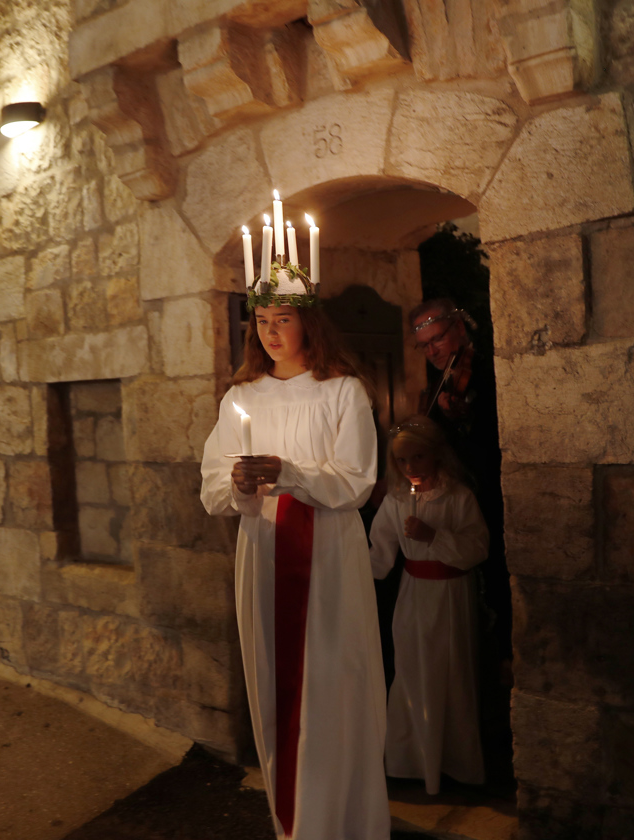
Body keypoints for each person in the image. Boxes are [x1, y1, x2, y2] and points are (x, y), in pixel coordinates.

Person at [200, 273, 390, 839]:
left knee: (335, 681)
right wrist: (240, 481)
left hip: (329, 553)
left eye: (283, 319)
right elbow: (212, 488)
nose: (271, 332)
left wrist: (290, 472)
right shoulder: (241, 397)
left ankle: (344, 822)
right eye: (261, 321)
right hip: (263, 548)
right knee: (272, 678)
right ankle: (295, 824)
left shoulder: (343, 390)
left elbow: (357, 482)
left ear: (309, 320)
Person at [369, 416, 489, 795]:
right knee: (412, 670)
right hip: (413, 596)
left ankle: (455, 764)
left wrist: (434, 536)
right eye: (402, 461)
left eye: (418, 457)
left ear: (436, 455)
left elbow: (477, 548)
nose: (410, 468)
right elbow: (379, 555)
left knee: (451, 674)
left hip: (451, 597)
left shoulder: (458, 497)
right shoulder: (396, 499)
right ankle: (411, 762)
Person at [409, 299, 508, 658]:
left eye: (437, 339)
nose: (432, 350)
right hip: (455, 502)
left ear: (460, 330)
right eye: (424, 345)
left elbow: (492, 441)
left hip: (487, 499)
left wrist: (463, 420)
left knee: (495, 583)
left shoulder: (484, 373)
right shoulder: (441, 383)